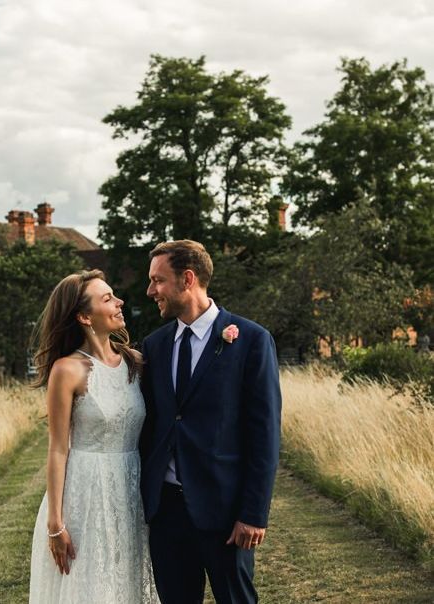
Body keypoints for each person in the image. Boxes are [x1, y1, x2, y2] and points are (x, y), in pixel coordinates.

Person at [140, 240, 282, 604]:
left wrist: (253, 513)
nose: (150, 290)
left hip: (226, 512)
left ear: (187, 279)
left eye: (158, 280)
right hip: (167, 513)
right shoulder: (154, 347)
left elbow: (264, 434)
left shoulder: (251, 340)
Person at [29, 270, 159, 603]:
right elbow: (58, 449)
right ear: (85, 317)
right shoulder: (67, 370)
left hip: (131, 490)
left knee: (126, 581)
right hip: (85, 493)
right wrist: (55, 524)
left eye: (114, 296)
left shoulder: (137, 363)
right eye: (107, 299)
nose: (119, 303)